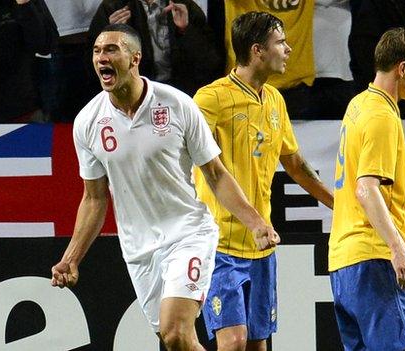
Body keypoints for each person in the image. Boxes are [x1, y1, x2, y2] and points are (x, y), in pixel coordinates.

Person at [50, 23, 278, 351]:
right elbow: (94, 198)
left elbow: (215, 173)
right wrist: (71, 258)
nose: (102, 56)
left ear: (135, 58)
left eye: (111, 49)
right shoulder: (88, 122)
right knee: (177, 343)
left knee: (174, 330)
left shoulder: (176, 104)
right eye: (97, 51)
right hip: (139, 249)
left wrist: (255, 222)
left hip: (188, 234)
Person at [193, 12, 334, 351]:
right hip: (219, 244)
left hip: (261, 245)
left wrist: (340, 205)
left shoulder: (274, 100)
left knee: (258, 343)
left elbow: (296, 165)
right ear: (257, 50)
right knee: (234, 341)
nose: (288, 48)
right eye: (280, 42)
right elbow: (195, 164)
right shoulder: (209, 100)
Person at [329, 27, 405, 350]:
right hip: (375, 260)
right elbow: (366, 189)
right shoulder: (382, 116)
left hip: (343, 265)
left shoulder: (357, 105)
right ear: (402, 69)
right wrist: (398, 249)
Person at [88, 0, 223, 98]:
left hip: (182, 93)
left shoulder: (184, 5)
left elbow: (210, 61)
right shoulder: (113, 7)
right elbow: (93, 65)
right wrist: (112, 34)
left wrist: (185, 30)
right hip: (135, 96)